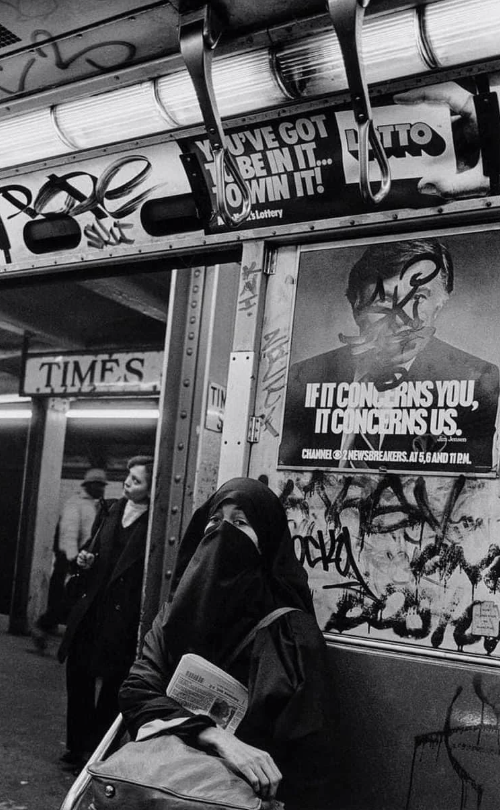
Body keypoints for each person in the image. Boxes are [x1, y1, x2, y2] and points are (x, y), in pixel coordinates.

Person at [118, 477, 339, 810]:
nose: (223, 532)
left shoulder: (290, 633)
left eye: (240, 523)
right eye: (215, 521)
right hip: (160, 788)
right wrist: (216, 736)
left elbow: (309, 755)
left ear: (266, 540)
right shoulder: (174, 616)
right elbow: (137, 690)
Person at [279, 238, 499, 470]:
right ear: (356, 306)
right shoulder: (304, 378)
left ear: (439, 305)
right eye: (384, 300)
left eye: (418, 298)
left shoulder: (476, 381)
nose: (403, 317)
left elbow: (469, 492)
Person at [57, 455, 154, 771]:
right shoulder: (111, 509)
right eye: (128, 477)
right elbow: (93, 547)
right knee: (80, 676)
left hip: (122, 616)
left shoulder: (154, 522)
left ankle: (96, 753)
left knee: (113, 686)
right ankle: (76, 747)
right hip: (93, 608)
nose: (127, 483)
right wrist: (85, 558)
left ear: (153, 488)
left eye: (136, 480)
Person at [31, 467, 108, 653]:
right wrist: (74, 561)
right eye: (98, 485)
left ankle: (46, 625)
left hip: (81, 556)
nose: (101, 489)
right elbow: (69, 533)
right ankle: (42, 625)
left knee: (68, 597)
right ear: (88, 485)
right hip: (71, 556)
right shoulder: (76, 504)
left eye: (102, 486)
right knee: (69, 598)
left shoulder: (92, 504)